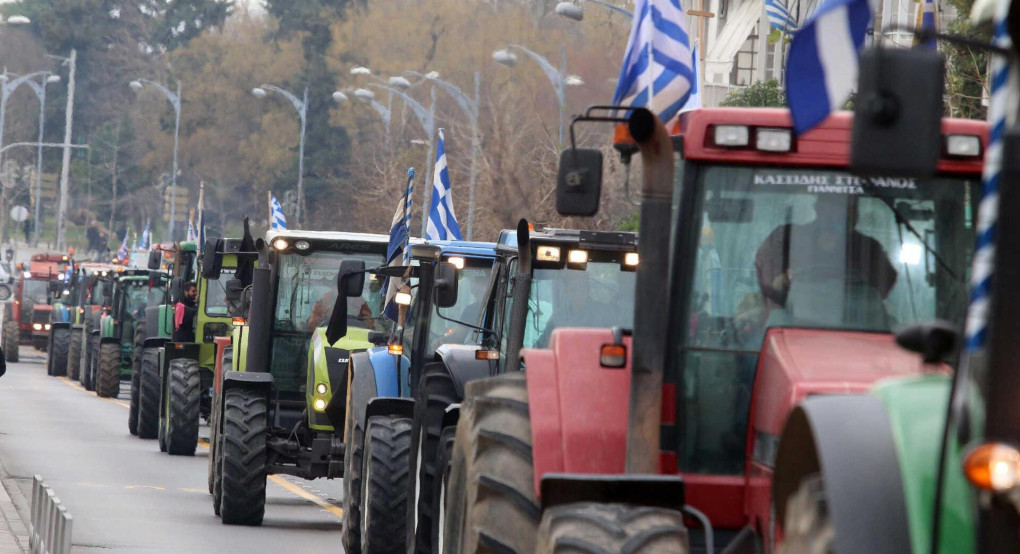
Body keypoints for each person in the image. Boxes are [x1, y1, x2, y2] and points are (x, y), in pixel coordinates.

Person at [754, 195, 897, 309]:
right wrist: (785, 281)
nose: (845, 214)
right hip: (790, 321)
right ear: (818, 208)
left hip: (856, 324)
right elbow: (770, 280)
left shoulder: (868, 246)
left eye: (851, 207)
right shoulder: (785, 236)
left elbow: (884, 284)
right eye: (836, 207)